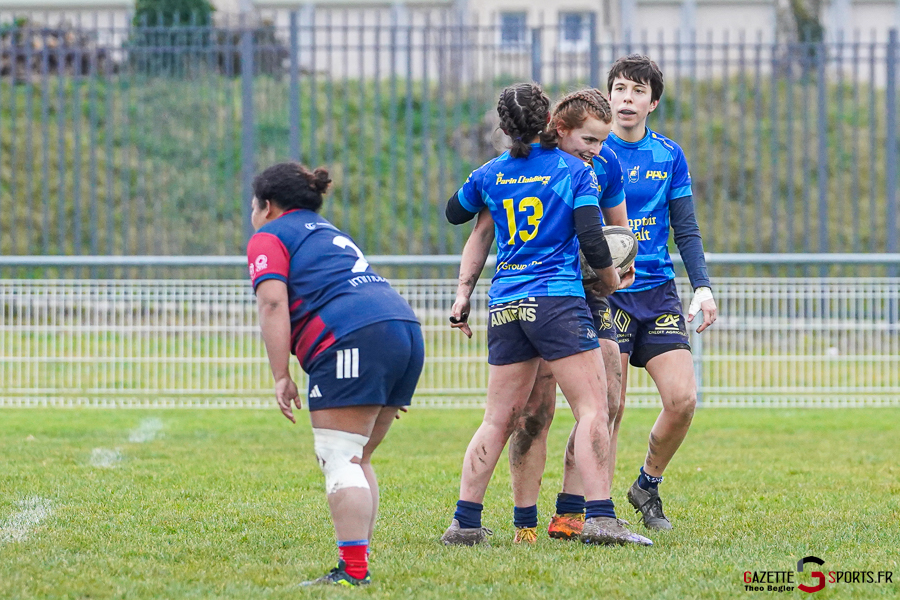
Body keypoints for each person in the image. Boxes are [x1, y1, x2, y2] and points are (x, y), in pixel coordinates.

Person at [441, 82, 651, 547]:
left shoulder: (492, 172)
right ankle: (600, 518)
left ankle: (465, 522)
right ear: (549, 123)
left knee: (498, 419)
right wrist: (613, 282)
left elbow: (456, 213)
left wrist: (462, 292)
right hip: (556, 301)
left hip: (506, 304)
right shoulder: (572, 170)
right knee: (594, 409)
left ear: (503, 127)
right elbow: (594, 241)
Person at [247, 162, 424, 586]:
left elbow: (272, 304)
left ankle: (353, 572)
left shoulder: (268, 235)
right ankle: (357, 558)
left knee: (339, 455)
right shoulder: (324, 229)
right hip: (404, 329)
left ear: (267, 206)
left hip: (354, 335)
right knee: (356, 455)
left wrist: (280, 375)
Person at [603, 54, 717, 530]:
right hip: (608, 295)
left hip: (658, 293)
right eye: (620, 90)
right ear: (609, 96)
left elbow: (686, 231)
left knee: (683, 400)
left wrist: (703, 288)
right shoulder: (592, 152)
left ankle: (646, 486)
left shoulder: (668, 154)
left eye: (636, 92)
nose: (626, 99)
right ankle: (597, 510)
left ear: (653, 101)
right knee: (610, 407)